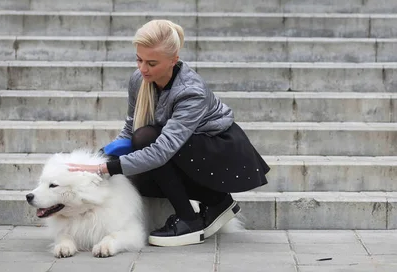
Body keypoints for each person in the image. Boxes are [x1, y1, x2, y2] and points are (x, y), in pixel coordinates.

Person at [67, 19, 270, 247]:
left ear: (174, 60)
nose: (143, 68)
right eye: (139, 60)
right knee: (133, 172)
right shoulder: (139, 79)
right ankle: (216, 201)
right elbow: (130, 128)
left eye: (152, 63)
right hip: (185, 151)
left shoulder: (190, 91)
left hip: (221, 154)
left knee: (145, 140)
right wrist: (102, 157)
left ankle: (189, 220)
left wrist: (106, 168)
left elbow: (161, 150)